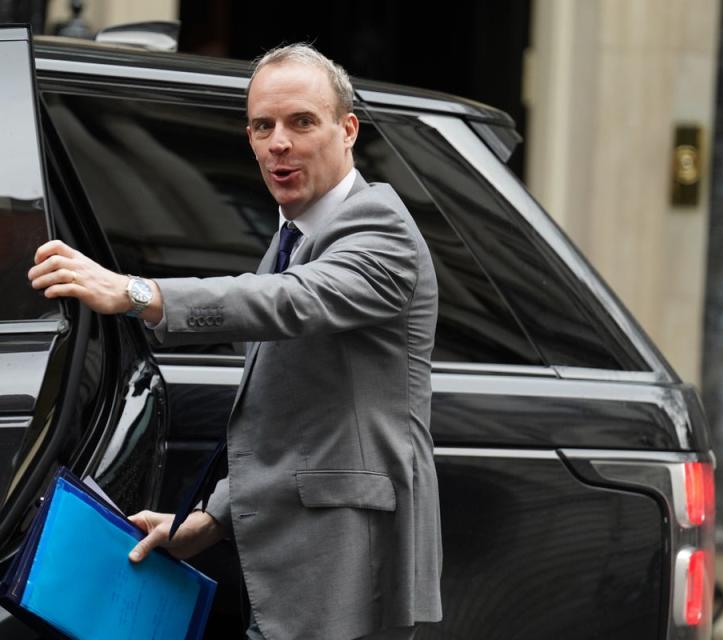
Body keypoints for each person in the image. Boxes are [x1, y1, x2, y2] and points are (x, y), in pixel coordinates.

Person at [28, 43, 442, 640]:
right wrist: (209, 519)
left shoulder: (380, 229)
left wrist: (138, 293)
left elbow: (288, 301)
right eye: (261, 125)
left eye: (302, 121)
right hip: (293, 554)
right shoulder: (291, 238)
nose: (278, 143)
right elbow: (291, 411)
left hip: (350, 556)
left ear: (347, 130)